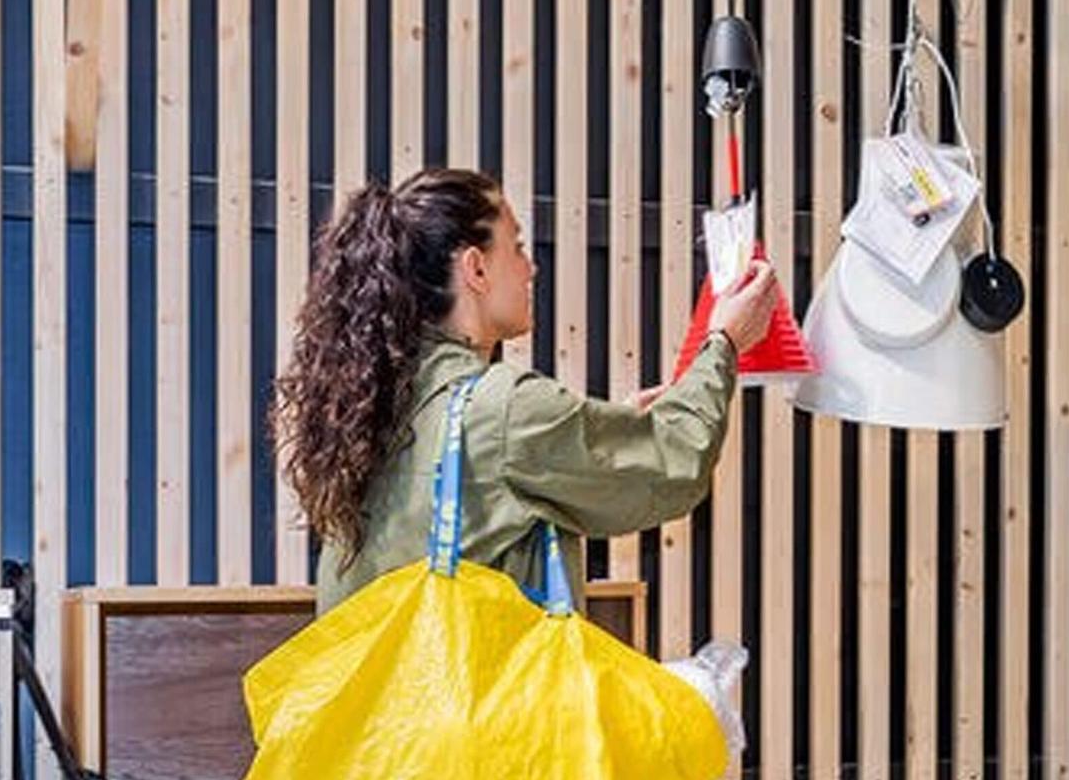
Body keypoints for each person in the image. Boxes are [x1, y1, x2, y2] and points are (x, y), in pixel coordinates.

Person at [271, 167, 778, 613]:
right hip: (480, 719)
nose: (530, 267)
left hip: (387, 718)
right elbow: (674, 463)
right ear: (475, 267)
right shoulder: (504, 409)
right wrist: (724, 340)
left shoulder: (375, 404)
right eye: (515, 246)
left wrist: (615, 424)